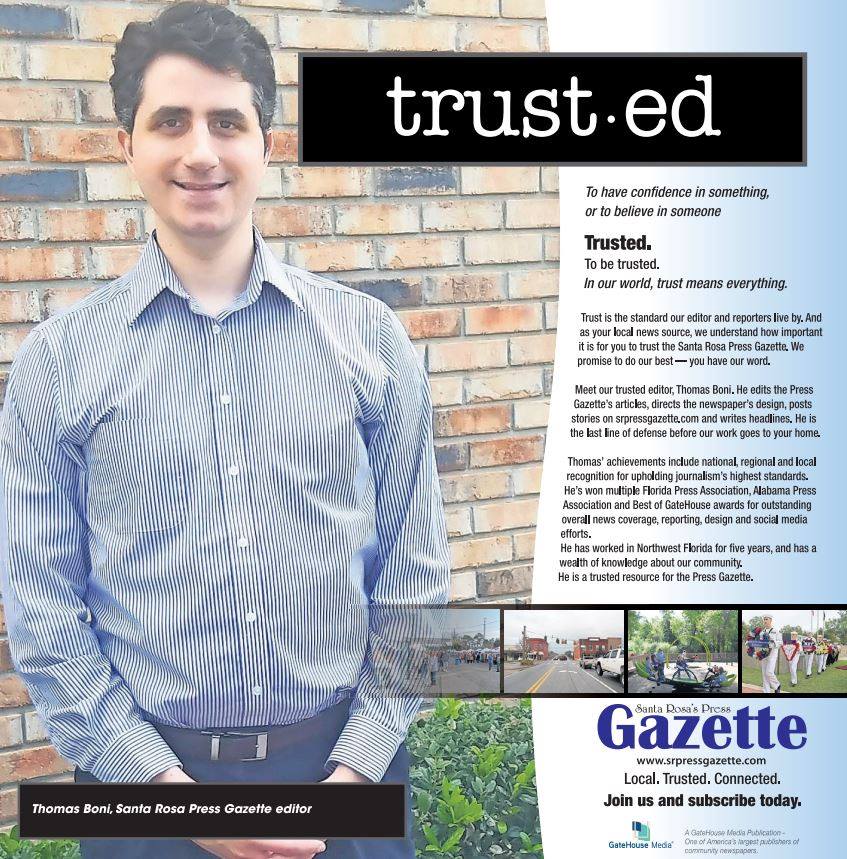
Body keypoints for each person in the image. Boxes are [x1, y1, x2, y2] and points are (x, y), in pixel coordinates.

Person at [0, 4, 450, 859]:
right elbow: (45, 614)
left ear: (265, 145)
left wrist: (350, 780)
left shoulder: (368, 339)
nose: (200, 150)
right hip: (147, 797)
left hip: (347, 781)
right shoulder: (58, 364)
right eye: (169, 121)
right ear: (127, 145)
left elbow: (418, 585)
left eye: (227, 122)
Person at [760, 613, 781, 693]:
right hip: (764, 654)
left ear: (771, 620)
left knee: (769, 672)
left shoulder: (776, 631)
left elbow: (780, 643)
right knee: (764, 674)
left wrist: (773, 641)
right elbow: (761, 643)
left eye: (766, 619)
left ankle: (776, 685)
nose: (765, 621)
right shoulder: (762, 632)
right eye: (764, 619)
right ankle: (766, 691)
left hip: (772, 654)